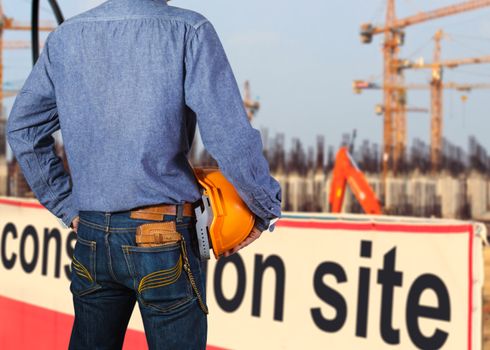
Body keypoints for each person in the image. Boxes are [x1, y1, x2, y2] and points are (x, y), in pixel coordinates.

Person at [5, 0, 282, 349]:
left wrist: (68, 207)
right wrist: (264, 206)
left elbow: (23, 129)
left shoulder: (66, 37)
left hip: (91, 236)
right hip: (163, 236)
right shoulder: (189, 30)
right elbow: (230, 136)